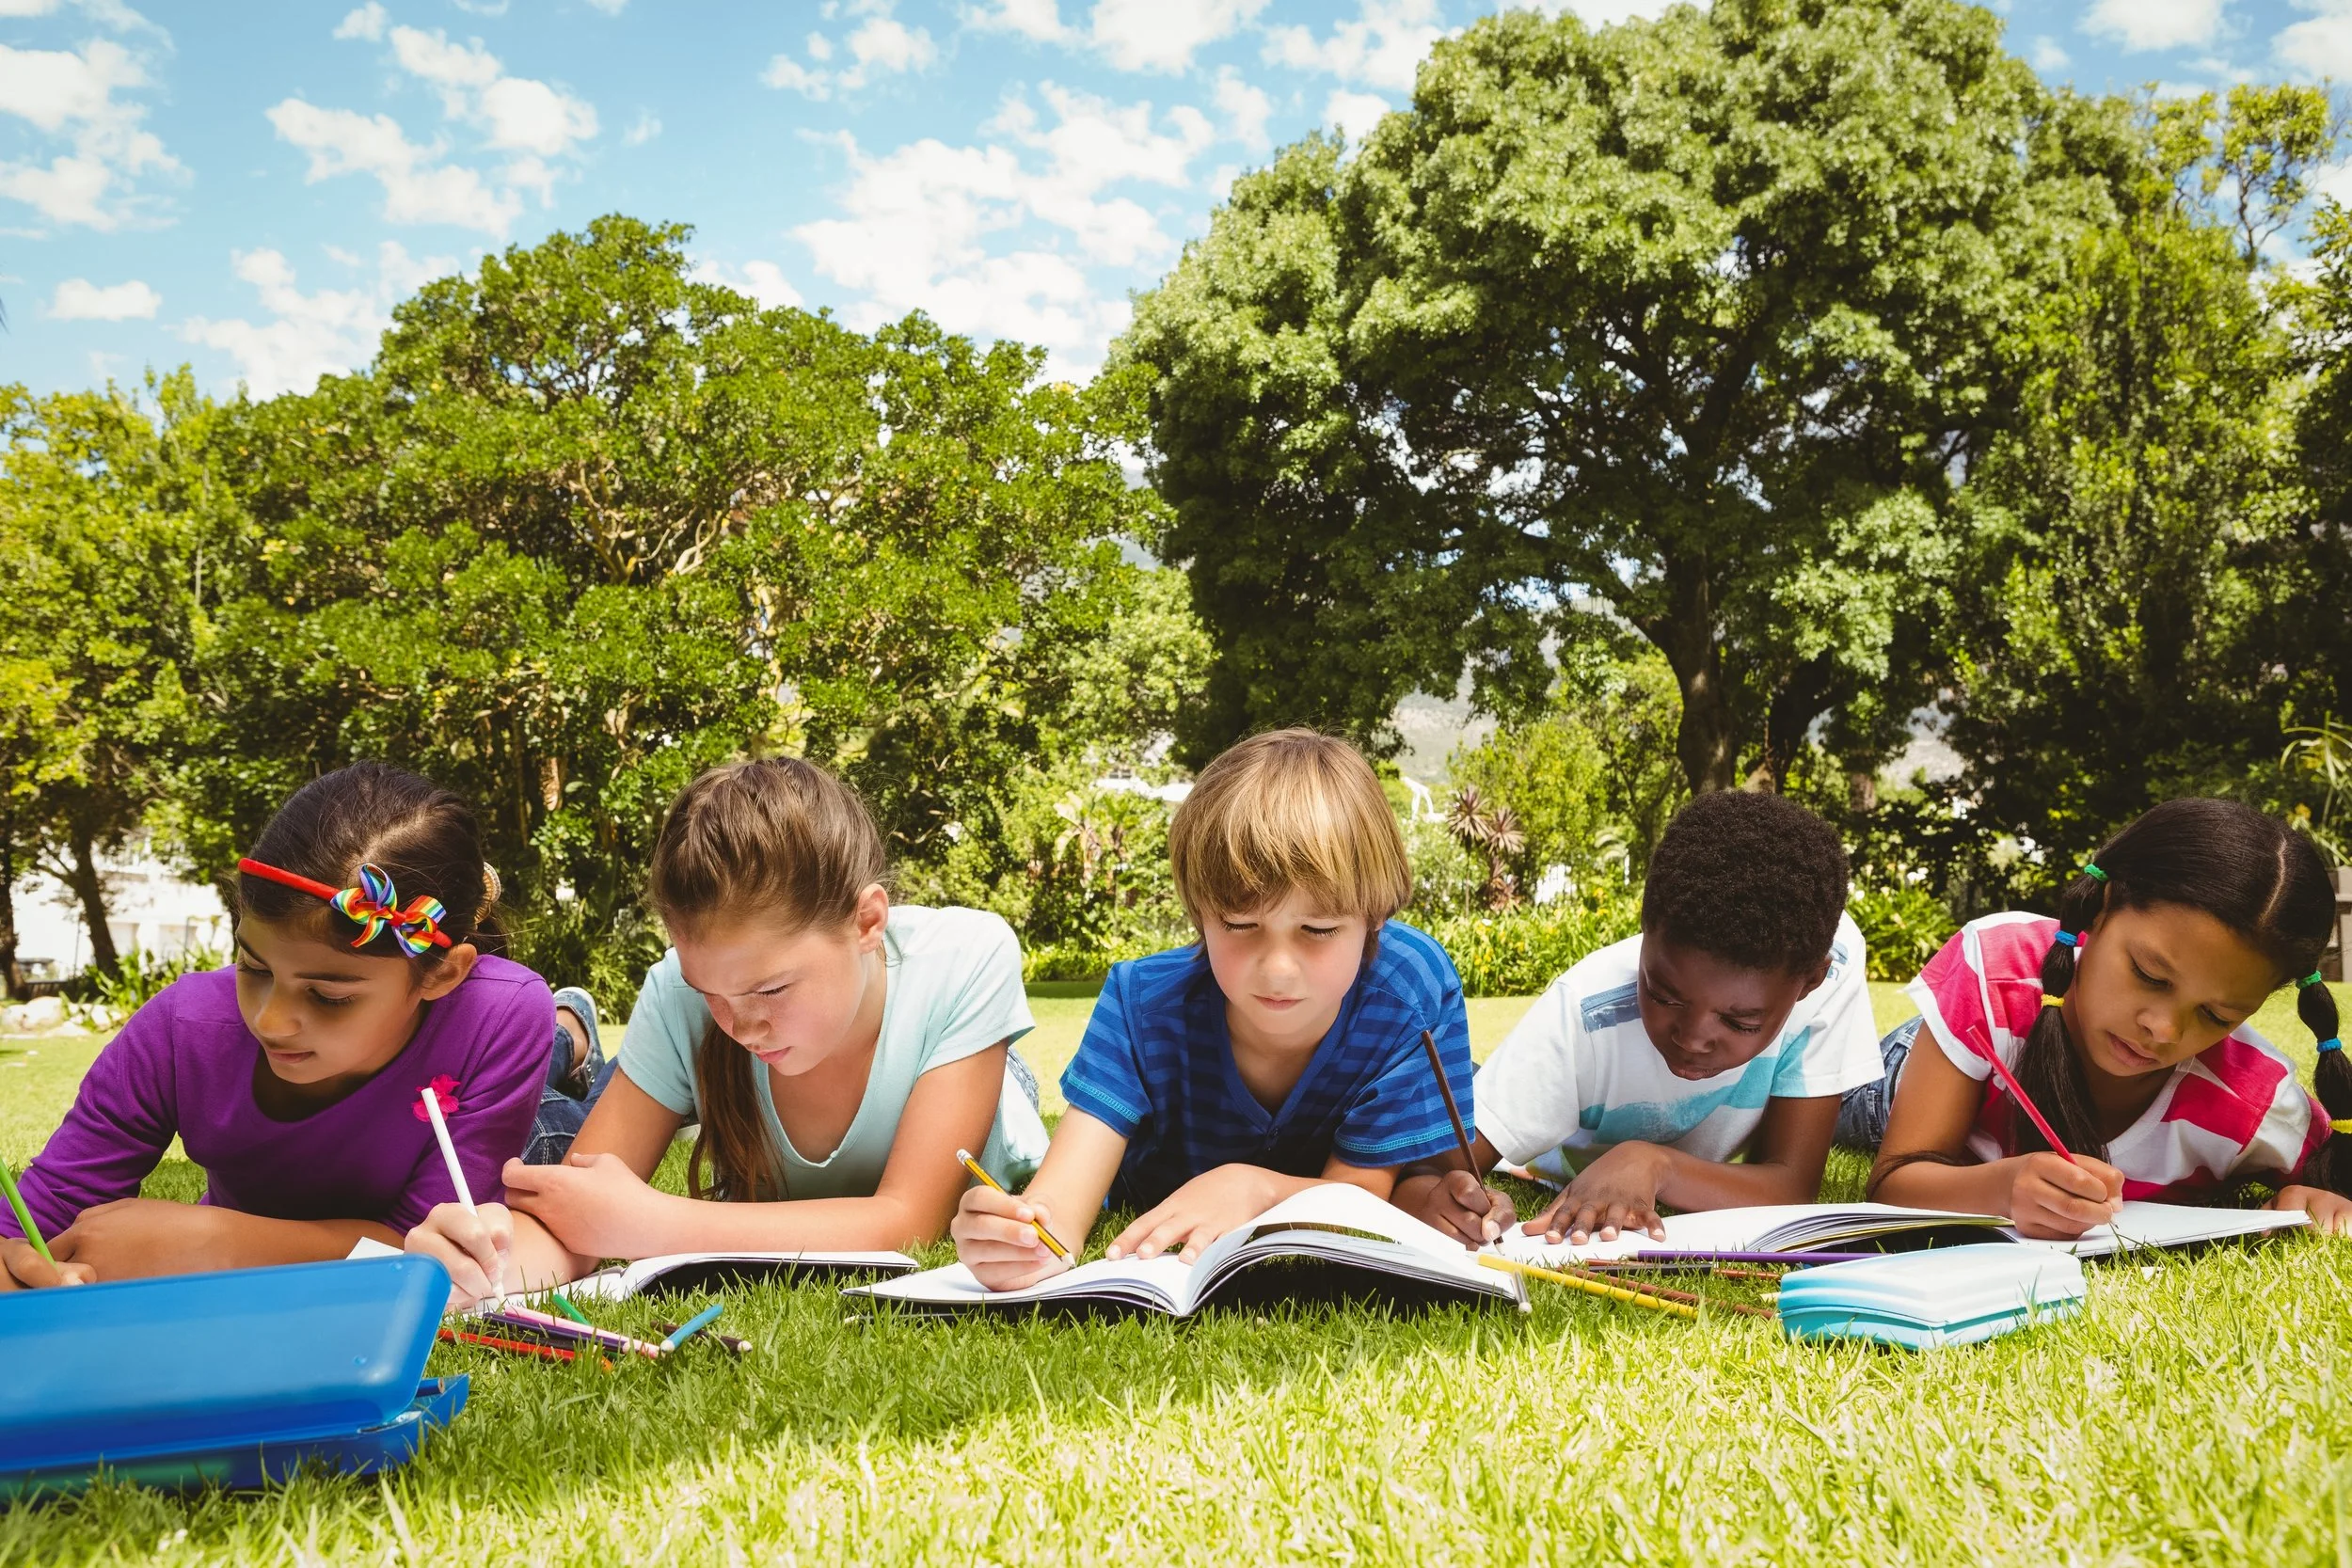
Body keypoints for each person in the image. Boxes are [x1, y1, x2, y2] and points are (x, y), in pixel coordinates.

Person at [405, 757, 1048, 1305]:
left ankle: (569, 1032)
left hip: (979, 1080)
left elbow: (908, 1221)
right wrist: (482, 1264)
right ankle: (574, 1033)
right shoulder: (676, 992)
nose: (740, 1024)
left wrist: (653, 1223)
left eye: (770, 988)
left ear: (868, 921)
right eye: (710, 992)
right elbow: (578, 1211)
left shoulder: (968, 956)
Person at [951, 728, 1475, 1291]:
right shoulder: (1140, 1003)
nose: (1277, 968)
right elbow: (1060, 1202)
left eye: (1318, 930)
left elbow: (1359, 1194)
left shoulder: (1409, 989)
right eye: (1240, 925)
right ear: (1201, 912)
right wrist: (1024, 1238)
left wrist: (1255, 1188)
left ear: (1374, 917)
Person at [0, 763, 550, 1287]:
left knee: (554, 1135)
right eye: (253, 968)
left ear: (442, 974)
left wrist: (216, 1240)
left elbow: (428, 1245)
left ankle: (572, 1038)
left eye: (329, 996)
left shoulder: (502, 1015)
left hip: (531, 1130)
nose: (271, 1020)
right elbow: (40, 1216)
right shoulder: (181, 1027)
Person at [1851, 799, 2352, 1238]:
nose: (2163, 1029)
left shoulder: (2258, 1104)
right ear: (2101, 908)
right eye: (2150, 975)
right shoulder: (1995, 972)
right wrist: (2001, 1187)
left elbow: (2329, 1181)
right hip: (1918, 1066)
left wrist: (2315, 1199)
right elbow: (1894, 1180)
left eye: (2216, 1015)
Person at [1405, 789, 1880, 1247]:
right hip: (1534, 1112)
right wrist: (1450, 1199)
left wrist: (1653, 1164)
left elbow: (1791, 1187)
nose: (1693, 1039)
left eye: (1740, 1023)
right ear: (1644, 931)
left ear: (1810, 982)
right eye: (1664, 996)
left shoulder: (1829, 962)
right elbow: (1431, 1173)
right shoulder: (1585, 1014)